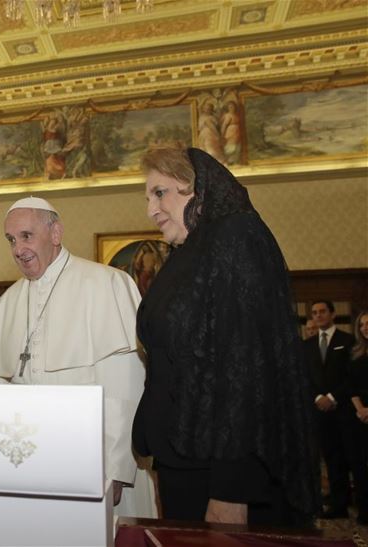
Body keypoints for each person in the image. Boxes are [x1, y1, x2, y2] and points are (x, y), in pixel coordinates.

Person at [133, 145, 316, 525]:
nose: (150, 209)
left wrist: (232, 490)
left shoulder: (236, 237)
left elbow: (249, 369)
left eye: (160, 192)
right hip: (182, 460)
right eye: (148, 197)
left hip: (221, 475)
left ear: (197, 188)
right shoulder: (188, 254)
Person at [0, 197, 156, 518]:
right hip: (31, 467)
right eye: (12, 240)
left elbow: (125, 390)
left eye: (27, 236)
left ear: (55, 233)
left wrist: (114, 468)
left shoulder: (106, 284)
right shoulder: (8, 302)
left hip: (95, 462)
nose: (18, 249)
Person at [305, 300, 358, 519]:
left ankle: (356, 501)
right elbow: (304, 378)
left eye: (322, 311)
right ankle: (338, 505)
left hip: (344, 409)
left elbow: (352, 376)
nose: (318, 315)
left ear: (332, 314)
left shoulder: (348, 340)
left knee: (350, 458)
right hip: (319, 411)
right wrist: (318, 397)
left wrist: (332, 397)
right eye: (314, 312)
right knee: (330, 458)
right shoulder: (306, 345)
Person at [349, 310, 368, 524]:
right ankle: (365, 511)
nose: (365, 327)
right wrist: (361, 409)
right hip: (359, 416)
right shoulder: (356, 353)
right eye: (362, 324)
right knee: (361, 466)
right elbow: (351, 384)